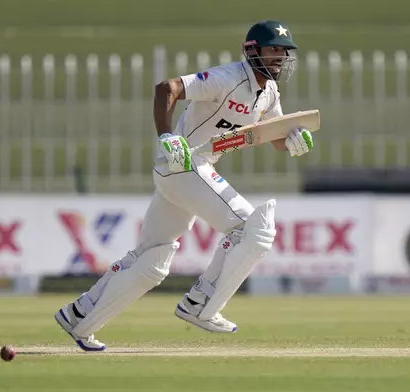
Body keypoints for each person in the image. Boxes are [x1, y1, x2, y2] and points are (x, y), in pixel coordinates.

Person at [55, 20, 314, 351]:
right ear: (252, 51)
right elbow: (167, 88)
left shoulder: (269, 94)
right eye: (273, 49)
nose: (279, 57)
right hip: (184, 163)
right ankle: (202, 303)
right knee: (252, 229)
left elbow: (272, 133)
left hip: (186, 172)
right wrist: (166, 135)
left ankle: (80, 315)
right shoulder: (229, 78)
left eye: (284, 52)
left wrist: (291, 139)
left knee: (152, 260)